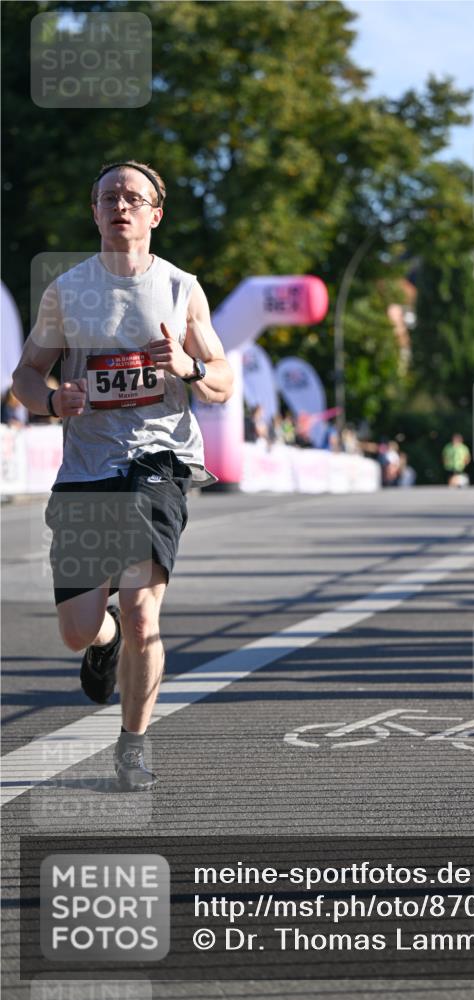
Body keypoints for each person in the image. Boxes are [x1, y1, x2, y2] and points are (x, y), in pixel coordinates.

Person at [11, 160, 234, 791]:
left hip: (156, 462)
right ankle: (101, 642)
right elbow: (25, 376)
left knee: (141, 613)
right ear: (95, 212)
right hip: (87, 469)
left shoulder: (181, 288)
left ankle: (132, 746)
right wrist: (53, 400)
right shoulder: (66, 291)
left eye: (134, 197)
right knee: (77, 630)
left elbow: (222, 381)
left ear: (155, 214)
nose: (121, 206)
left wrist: (189, 367)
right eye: (109, 197)